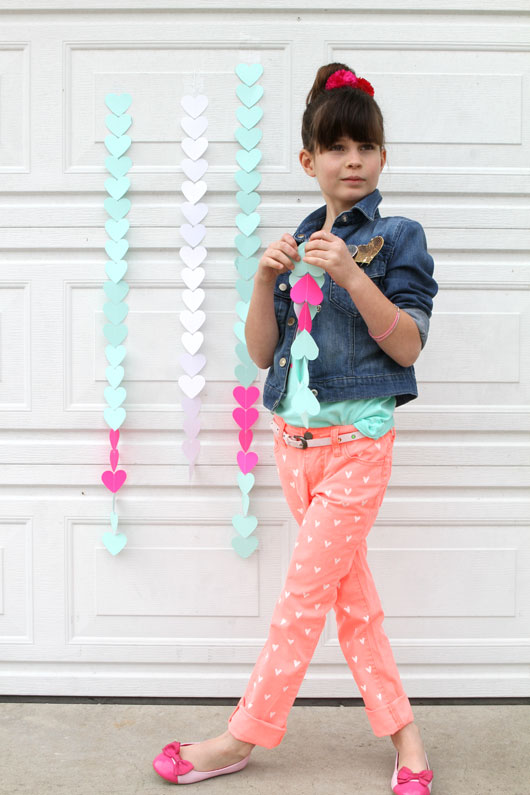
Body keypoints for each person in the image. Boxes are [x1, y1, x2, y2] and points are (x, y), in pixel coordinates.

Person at [152, 63, 438, 793]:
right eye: (336, 148)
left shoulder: (398, 236)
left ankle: (241, 734)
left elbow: (406, 343)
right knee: (352, 599)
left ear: (381, 156)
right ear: (309, 161)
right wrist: (259, 280)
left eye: (365, 147)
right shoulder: (297, 242)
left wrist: (350, 275)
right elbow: (260, 353)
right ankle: (407, 739)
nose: (353, 160)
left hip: (358, 447)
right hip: (293, 447)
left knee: (302, 598)